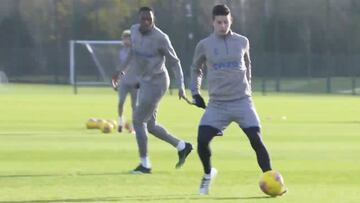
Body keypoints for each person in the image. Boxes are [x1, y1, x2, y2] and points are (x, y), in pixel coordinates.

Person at [190, 4, 278, 195]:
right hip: (217, 104)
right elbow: (196, 69)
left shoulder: (242, 41)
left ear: (231, 21)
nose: (223, 26)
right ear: (212, 22)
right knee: (202, 140)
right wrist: (195, 92)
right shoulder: (204, 45)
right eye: (219, 22)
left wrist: (249, 88)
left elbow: (248, 65)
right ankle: (207, 174)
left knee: (256, 140)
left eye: (226, 22)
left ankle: (273, 181)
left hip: (242, 101)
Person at [122, 6, 193, 174]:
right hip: (145, 82)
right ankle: (182, 146)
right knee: (151, 126)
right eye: (143, 19)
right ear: (139, 20)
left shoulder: (161, 38)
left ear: (154, 21)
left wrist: (181, 85)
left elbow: (175, 62)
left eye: (150, 19)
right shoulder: (133, 31)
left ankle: (145, 165)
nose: (146, 22)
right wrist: (122, 70)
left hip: (158, 82)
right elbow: (133, 53)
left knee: (138, 121)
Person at [112, 30, 137, 133]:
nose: (126, 40)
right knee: (121, 102)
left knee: (134, 105)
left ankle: (135, 126)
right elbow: (119, 67)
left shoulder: (136, 51)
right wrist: (116, 80)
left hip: (135, 81)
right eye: (124, 38)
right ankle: (120, 122)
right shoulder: (121, 52)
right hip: (123, 81)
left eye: (128, 38)